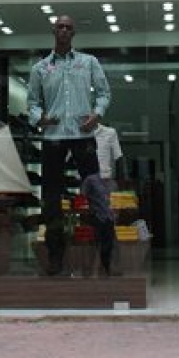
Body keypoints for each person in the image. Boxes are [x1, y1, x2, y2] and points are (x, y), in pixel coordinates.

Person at [27, 14, 115, 276]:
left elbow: (104, 93)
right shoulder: (40, 68)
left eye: (68, 27)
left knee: (97, 195)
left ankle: (106, 257)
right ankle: (55, 257)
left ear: (73, 33)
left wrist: (96, 115)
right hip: (53, 138)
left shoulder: (88, 62)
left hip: (83, 136)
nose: (64, 30)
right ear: (53, 31)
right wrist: (39, 118)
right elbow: (32, 102)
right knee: (51, 199)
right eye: (60, 27)